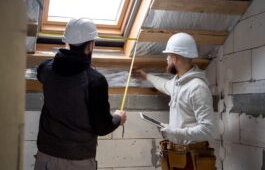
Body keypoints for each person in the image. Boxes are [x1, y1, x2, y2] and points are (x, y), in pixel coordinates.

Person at [34, 18, 127, 170]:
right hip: (78, 161)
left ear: (66, 42)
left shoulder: (45, 69)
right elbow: (102, 127)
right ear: (91, 45)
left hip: (46, 156)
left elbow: (48, 70)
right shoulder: (96, 81)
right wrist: (118, 118)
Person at [133, 33, 216, 170]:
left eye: (168, 56)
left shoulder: (197, 88)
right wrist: (145, 76)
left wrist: (175, 132)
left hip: (192, 159)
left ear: (175, 59)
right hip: (178, 156)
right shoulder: (178, 83)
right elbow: (164, 85)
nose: (166, 59)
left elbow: (208, 130)